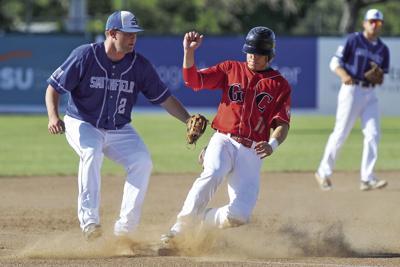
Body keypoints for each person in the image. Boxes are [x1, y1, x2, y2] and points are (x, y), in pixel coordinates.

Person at [45, 10, 191, 241]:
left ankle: (125, 230)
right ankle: (90, 222)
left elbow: (164, 98)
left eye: (135, 34)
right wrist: (53, 117)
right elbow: (54, 87)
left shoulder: (139, 65)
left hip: (119, 129)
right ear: (111, 33)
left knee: (142, 162)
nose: (134, 38)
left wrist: (187, 119)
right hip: (82, 122)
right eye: (128, 33)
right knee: (91, 153)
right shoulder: (85, 55)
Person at [159, 27, 291, 253]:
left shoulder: (280, 85)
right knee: (214, 172)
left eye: (258, 53)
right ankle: (180, 229)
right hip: (223, 139)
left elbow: (282, 123)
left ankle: (202, 219)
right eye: (249, 51)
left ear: (270, 55)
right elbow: (194, 81)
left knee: (239, 215)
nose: (252, 56)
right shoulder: (231, 69)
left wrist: (272, 144)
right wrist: (188, 53)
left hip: (252, 151)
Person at [315, 9, 390, 191]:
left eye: (378, 22)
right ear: (364, 23)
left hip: (370, 94)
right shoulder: (353, 40)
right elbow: (335, 62)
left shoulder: (383, 49)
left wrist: (378, 77)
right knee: (341, 133)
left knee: (373, 134)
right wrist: (344, 75)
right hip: (351, 90)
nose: (374, 25)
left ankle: (367, 178)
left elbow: (382, 76)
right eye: (371, 21)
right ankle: (323, 173)